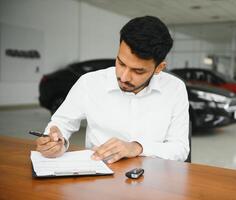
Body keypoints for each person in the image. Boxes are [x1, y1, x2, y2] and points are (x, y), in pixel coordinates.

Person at [36, 16, 189, 163]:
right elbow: (61, 123)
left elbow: (180, 149)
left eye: (138, 71)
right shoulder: (89, 83)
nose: (124, 77)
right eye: (121, 63)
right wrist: (55, 141)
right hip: (98, 176)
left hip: (153, 179)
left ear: (159, 68)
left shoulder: (175, 89)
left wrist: (137, 148)